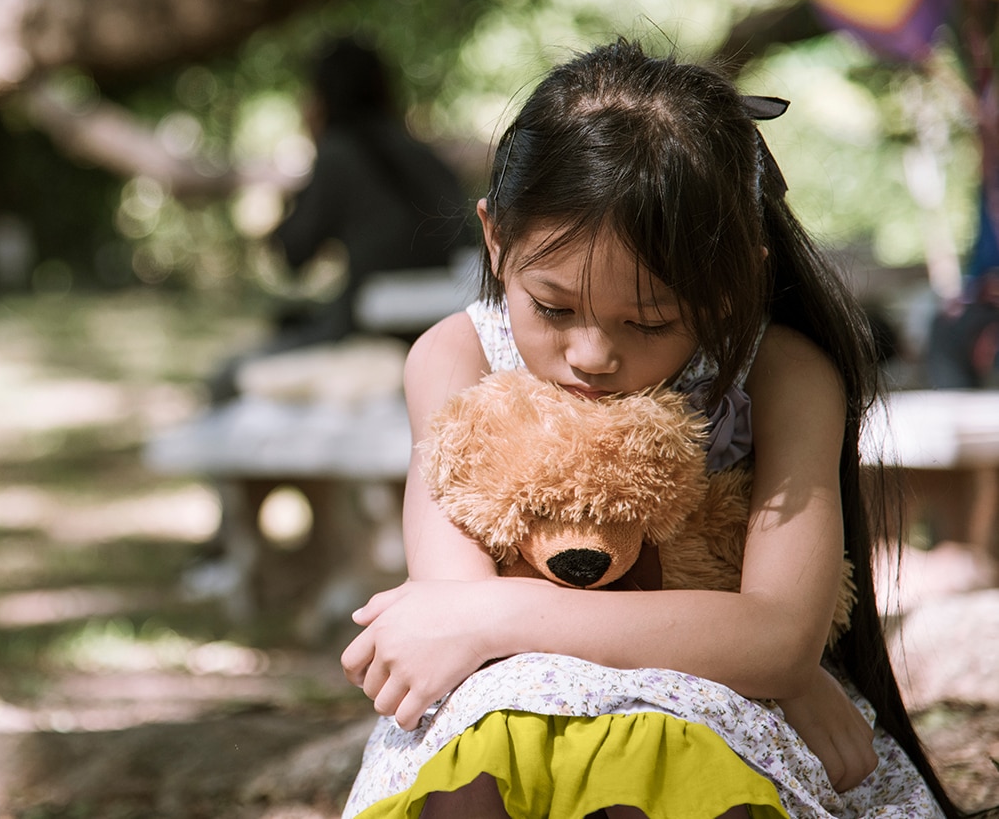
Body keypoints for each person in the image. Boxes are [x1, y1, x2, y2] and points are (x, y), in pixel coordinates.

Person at [339, 40, 959, 819]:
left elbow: (777, 633)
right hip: (506, 705)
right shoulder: (458, 355)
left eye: (650, 320)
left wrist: (784, 664)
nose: (592, 354)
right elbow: (450, 610)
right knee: (474, 774)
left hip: (712, 709)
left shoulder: (782, 374)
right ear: (495, 241)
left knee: (672, 770)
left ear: (732, 287)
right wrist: (753, 655)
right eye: (554, 307)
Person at [208, 36, 471, 402]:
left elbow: (293, 254)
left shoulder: (338, 155)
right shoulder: (422, 155)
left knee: (224, 380)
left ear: (320, 97)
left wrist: (298, 179)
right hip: (444, 327)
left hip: (370, 329)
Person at [926, 172, 999, 388]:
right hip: (986, 307)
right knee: (943, 326)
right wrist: (969, 295)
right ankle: (959, 407)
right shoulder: (986, 206)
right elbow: (979, 272)